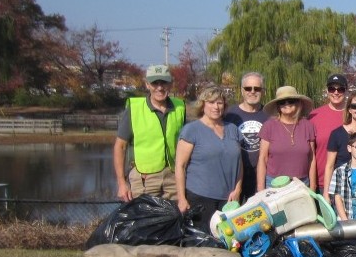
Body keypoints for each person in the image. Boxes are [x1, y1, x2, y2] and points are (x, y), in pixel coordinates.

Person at [113, 64, 186, 201]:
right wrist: (122, 183)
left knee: (175, 218)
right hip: (144, 179)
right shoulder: (134, 109)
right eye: (155, 83)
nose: (159, 87)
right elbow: (120, 146)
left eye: (163, 83)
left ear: (170, 84)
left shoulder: (180, 107)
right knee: (145, 220)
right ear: (147, 85)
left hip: (173, 177)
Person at [173, 86, 242, 225]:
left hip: (229, 199)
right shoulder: (191, 130)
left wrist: (238, 189)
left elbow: (239, 163)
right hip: (200, 197)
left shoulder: (233, 129)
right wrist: (181, 198)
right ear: (202, 104)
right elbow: (180, 166)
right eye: (211, 102)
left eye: (219, 103)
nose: (216, 107)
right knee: (203, 242)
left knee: (229, 242)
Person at [256, 86, 316, 191]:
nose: (287, 104)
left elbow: (312, 158)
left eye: (291, 101)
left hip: (302, 184)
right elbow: (263, 158)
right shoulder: (269, 126)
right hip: (274, 184)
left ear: (298, 103)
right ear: (278, 106)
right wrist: (261, 189)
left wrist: (313, 186)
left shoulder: (308, 126)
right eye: (282, 102)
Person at [223, 72, 268, 202]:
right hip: (233, 177)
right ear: (242, 91)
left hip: (260, 177)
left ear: (263, 91)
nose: (252, 92)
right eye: (248, 88)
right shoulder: (229, 114)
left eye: (257, 88)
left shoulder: (269, 115)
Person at [309, 74, 348, 190]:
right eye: (332, 89)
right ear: (327, 90)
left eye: (340, 89)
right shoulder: (314, 116)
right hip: (320, 182)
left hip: (347, 183)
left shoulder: (354, 114)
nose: (336, 92)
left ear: (346, 91)